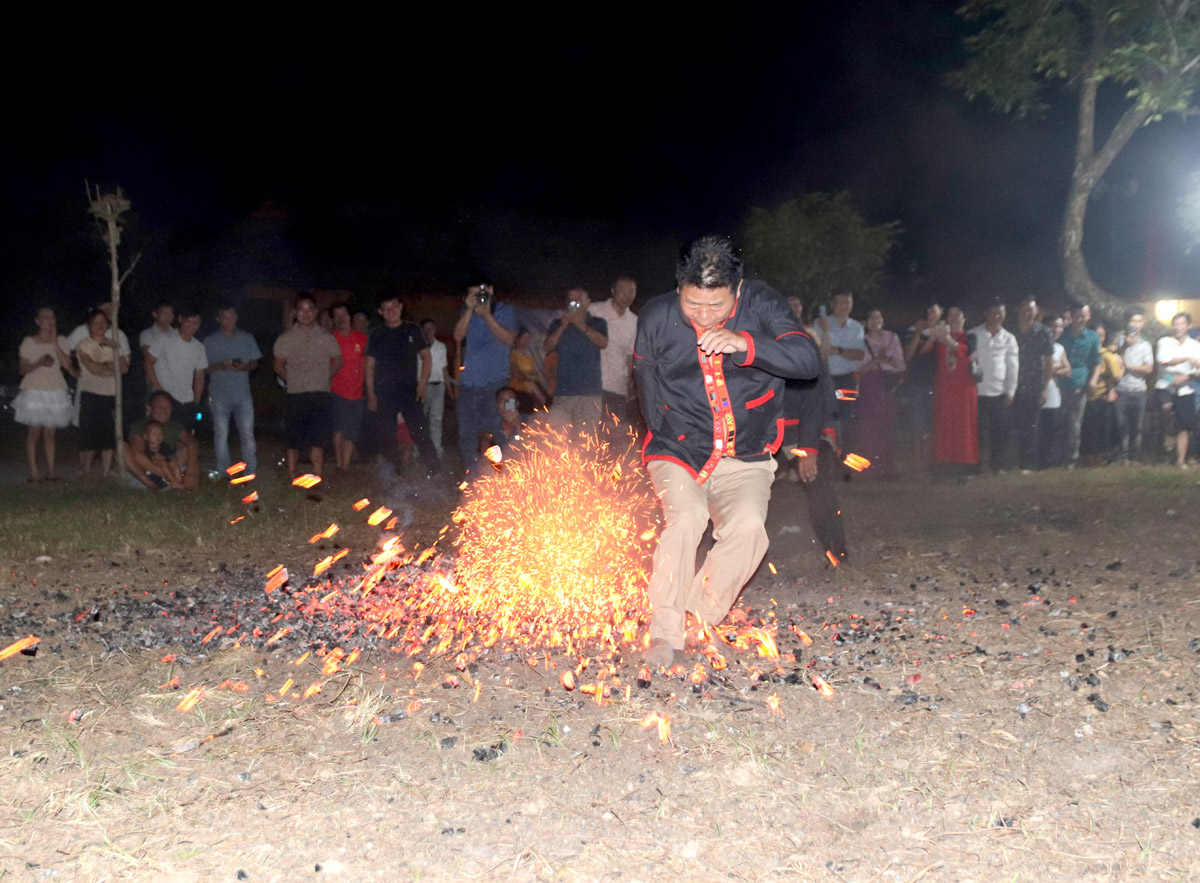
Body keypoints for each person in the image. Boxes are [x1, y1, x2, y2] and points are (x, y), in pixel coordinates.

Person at [634, 235, 822, 668]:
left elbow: (807, 360)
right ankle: (664, 633)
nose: (702, 316)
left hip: (748, 452)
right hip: (679, 447)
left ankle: (696, 617)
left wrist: (746, 344)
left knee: (750, 529)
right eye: (692, 304)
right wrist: (662, 433)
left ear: (736, 293)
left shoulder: (763, 305)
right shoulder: (658, 316)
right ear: (679, 289)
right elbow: (644, 376)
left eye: (715, 307)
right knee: (686, 519)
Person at [364, 295, 440, 476]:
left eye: (394, 306)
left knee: (420, 431)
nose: (391, 311)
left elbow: (426, 357)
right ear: (380, 312)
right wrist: (371, 394)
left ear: (401, 307)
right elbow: (369, 365)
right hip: (384, 393)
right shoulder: (376, 334)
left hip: (410, 391)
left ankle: (435, 470)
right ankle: (395, 472)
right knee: (387, 434)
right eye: (386, 308)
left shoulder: (413, 329)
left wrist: (422, 384)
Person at [273, 293, 343, 479]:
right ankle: (292, 473)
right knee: (293, 437)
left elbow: (338, 360)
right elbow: (278, 365)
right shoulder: (286, 338)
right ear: (295, 313)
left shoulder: (326, 336)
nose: (306, 313)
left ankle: (317, 474)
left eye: (309, 309)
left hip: (320, 392)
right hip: (296, 393)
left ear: (315, 312)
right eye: (301, 309)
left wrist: (326, 376)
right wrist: (291, 379)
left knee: (318, 437)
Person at [453, 283, 519, 476]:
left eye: (482, 291)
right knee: (467, 438)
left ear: (490, 290)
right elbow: (458, 335)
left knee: (500, 433)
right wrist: (470, 309)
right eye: (474, 293)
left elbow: (509, 339)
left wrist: (487, 314)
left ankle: (506, 479)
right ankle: (473, 482)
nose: (480, 296)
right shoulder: (467, 311)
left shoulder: (504, 310)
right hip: (470, 385)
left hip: (496, 384)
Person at [14, 307, 75, 482]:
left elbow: (68, 366)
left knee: (50, 433)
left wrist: (55, 342)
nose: (49, 319)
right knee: (34, 432)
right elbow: (22, 368)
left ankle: (50, 471)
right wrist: (39, 362)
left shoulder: (62, 341)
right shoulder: (29, 342)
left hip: (55, 390)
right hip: (34, 390)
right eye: (45, 316)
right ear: (37, 321)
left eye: (52, 316)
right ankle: (33, 471)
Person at [203, 304, 261, 476]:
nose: (228, 320)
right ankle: (224, 470)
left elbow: (255, 362)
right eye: (224, 317)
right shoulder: (210, 341)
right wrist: (221, 365)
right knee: (221, 434)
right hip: (219, 395)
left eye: (231, 316)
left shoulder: (247, 338)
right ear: (219, 319)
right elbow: (203, 368)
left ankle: (250, 468)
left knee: (247, 433)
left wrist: (245, 366)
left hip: (242, 395)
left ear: (236, 317)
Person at [75, 309, 130, 477]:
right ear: (89, 325)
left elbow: (124, 367)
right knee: (89, 436)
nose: (100, 325)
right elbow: (92, 368)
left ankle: (106, 473)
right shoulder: (85, 344)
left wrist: (107, 367)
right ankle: (86, 471)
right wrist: (110, 366)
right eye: (96, 322)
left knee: (108, 436)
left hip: (111, 394)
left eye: (103, 322)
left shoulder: (115, 344)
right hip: (91, 393)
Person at [544, 288, 608, 431]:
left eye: (578, 299)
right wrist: (562, 326)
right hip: (562, 392)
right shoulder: (558, 323)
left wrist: (582, 325)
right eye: (571, 299)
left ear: (587, 302)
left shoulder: (598, 323)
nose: (574, 302)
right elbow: (547, 346)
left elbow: (603, 343)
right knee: (556, 439)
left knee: (586, 442)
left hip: (589, 394)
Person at [852, 308, 904, 476]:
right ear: (866, 323)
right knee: (870, 425)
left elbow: (900, 365)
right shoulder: (861, 341)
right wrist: (878, 360)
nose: (876, 320)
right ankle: (871, 464)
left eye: (878, 316)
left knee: (887, 425)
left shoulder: (892, 338)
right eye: (872, 317)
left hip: (887, 386)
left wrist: (882, 361)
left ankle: (887, 464)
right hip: (870, 386)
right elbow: (859, 370)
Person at [969, 300, 1019, 472]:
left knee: (1000, 432)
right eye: (993, 312)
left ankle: (997, 465)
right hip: (976, 391)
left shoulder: (1009, 338)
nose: (997, 316)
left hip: (999, 393)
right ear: (986, 313)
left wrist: (1011, 391)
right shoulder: (973, 334)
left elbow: (1013, 366)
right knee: (977, 432)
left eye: (1001, 313)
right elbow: (969, 361)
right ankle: (975, 465)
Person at [816, 290, 865, 453]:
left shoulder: (856, 327)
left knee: (847, 419)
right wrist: (844, 351)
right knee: (825, 419)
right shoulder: (821, 323)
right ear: (833, 304)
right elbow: (820, 352)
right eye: (841, 302)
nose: (844, 306)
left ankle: (846, 459)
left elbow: (859, 354)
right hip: (826, 379)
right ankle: (826, 460)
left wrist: (835, 350)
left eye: (848, 302)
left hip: (846, 380)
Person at [931, 307, 979, 473]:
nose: (953, 318)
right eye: (950, 315)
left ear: (964, 319)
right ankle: (945, 462)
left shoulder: (970, 336)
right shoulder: (940, 336)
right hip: (945, 386)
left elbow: (967, 351)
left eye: (958, 314)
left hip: (964, 387)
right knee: (945, 423)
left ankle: (966, 463)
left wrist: (948, 340)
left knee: (964, 424)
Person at [1010, 297, 1055, 472]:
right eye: (1024, 309)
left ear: (1036, 312)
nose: (1027, 313)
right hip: (1011, 386)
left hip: (1033, 386)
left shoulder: (1043, 332)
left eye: (1031, 310)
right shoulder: (1010, 330)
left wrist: (1045, 388)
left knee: (1030, 427)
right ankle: (1008, 462)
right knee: (1010, 425)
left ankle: (1027, 464)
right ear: (1018, 310)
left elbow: (1049, 362)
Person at [145, 306, 208, 428]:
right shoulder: (165, 338)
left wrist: (196, 401)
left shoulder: (199, 347)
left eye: (196, 322)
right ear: (180, 319)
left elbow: (199, 376)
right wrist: (157, 387)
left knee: (185, 436)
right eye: (188, 321)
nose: (192, 325)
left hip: (187, 400)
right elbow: (148, 362)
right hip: (166, 398)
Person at [588, 275, 639, 423]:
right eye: (623, 290)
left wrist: (627, 383)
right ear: (613, 291)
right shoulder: (595, 310)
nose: (627, 295)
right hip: (592, 384)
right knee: (589, 433)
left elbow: (630, 356)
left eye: (632, 291)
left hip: (617, 386)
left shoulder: (634, 321)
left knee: (614, 433)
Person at [125, 391, 199, 490]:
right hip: (148, 469)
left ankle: (184, 483)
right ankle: (151, 485)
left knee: (188, 449)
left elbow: (191, 443)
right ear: (151, 408)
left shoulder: (175, 426)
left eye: (167, 407)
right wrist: (164, 472)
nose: (164, 410)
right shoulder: (141, 425)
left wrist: (190, 471)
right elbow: (137, 454)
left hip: (173, 467)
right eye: (159, 406)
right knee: (122, 448)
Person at [901, 303, 944, 470]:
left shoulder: (944, 330)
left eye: (934, 310)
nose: (930, 313)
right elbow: (908, 356)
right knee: (918, 424)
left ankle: (933, 460)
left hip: (938, 383)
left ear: (941, 312)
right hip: (917, 383)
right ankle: (919, 462)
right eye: (928, 310)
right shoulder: (913, 330)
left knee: (934, 424)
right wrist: (919, 333)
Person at [1057, 305, 1101, 468]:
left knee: (1075, 425)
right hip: (1058, 383)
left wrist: (1093, 381)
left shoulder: (1092, 337)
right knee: (1058, 422)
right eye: (1077, 315)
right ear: (1072, 316)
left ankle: (1071, 460)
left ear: (1089, 316)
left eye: (1084, 315)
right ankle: (1055, 458)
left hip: (1079, 385)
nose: (1081, 319)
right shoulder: (1062, 334)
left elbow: (1097, 362)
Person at [1155, 311, 1200, 468]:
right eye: (1175, 324)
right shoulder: (1165, 342)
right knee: (1166, 408)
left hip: (1186, 386)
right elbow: (1163, 362)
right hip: (1165, 383)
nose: (1178, 327)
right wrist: (1186, 359)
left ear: (1188, 326)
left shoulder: (1195, 346)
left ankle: (1180, 460)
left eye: (1181, 323)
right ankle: (1168, 430)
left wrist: (1187, 377)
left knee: (1185, 425)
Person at [329, 304, 367, 471]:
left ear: (349, 316)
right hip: (336, 391)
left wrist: (367, 387)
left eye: (344, 314)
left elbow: (366, 365)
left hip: (357, 392)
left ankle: (345, 465)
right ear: (334, 320)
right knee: (339, 430)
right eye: (337, 315)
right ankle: (339, 465)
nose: (341, 318)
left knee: (352, 432)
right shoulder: (330, 338)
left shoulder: (361, 338)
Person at [1114, 307, 1153, 464]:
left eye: (1139, 321)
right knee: (1120, 424)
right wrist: (1124, 347)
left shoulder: (1146, 344)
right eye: (1132, 321)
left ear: (1143, 323)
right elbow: (1113, 358)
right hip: (1120, 388)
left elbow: (1148, 368)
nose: (1136, 324)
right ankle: (1122, 456)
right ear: (1126, 322)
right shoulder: (1117, 338)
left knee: (1137, 426)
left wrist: (1127, 366)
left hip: (1139, 390)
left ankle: (1134, 457)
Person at [1080, 327, 1124, 465]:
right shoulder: (1088, 352)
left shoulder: (1106, 355)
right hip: (1084, 395)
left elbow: (1116, 376)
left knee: (1099, 429)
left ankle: (1097, 457)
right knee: (1088, 429)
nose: (1100, 338)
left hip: (1099, 396)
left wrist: (1109, 386)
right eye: (1097, 335)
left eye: (1102, 336)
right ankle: (1088, 457)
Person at [1039, 315, 1071, 469]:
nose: (1057, 330)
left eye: (1059, 326)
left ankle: (1049, 463)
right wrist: (1056, 367)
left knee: (1053, 430)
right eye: (1053, 326)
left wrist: (1052, 368)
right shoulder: (1037, 345)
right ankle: (1037, 462)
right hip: (1039, 392)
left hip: (1054, 395)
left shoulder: (1060, 348)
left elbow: (1068, 370)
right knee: (1039, 430)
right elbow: (1039, 369)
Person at [420, 318, 452, 457]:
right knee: (421, 419)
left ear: (434, 329)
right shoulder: (418, 346)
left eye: (430, 328)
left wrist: (449, 388)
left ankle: (436, 448)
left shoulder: (441, 347)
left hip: (438, 386)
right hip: (423, 386)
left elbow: (444, 369)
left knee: (436, 419)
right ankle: (418, 448)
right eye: (425, 328)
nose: (428, 331)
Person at [509, 328, 548, 414]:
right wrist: (527, 377)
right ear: (517, 339)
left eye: (527, 338)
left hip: (530, 389)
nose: (525, 341)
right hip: (518, 389)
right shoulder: (513, 355)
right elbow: (515, 373)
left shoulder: (528, 356)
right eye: (523, 338)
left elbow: (534, 373)